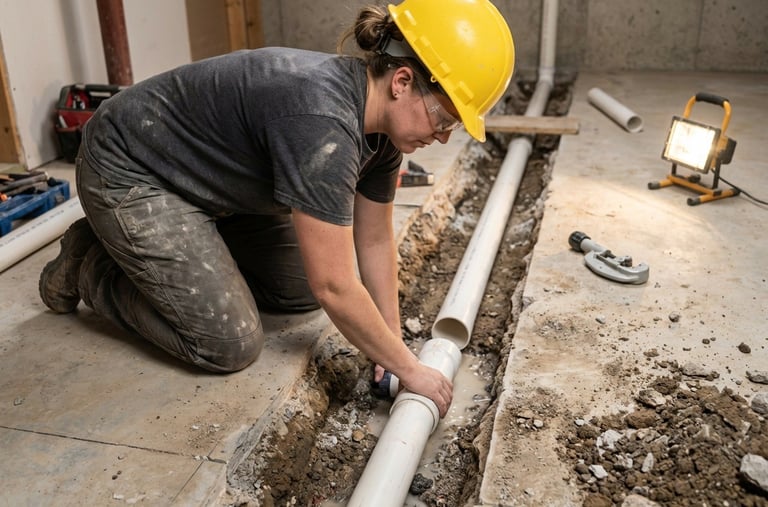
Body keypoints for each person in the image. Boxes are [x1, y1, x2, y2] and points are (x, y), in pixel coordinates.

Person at [39, 0, 514, 418]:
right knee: (228, 341)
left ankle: (182, 248)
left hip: (207, 184)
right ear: (402, 81)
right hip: (131, 168)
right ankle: (90, 263)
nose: (444, 136)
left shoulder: (383, 139)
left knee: (295, 288)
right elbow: (334, 285)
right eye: (444, 118)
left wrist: (390, 349)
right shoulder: (322, 120)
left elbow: (373, 239)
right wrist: (412, 371)